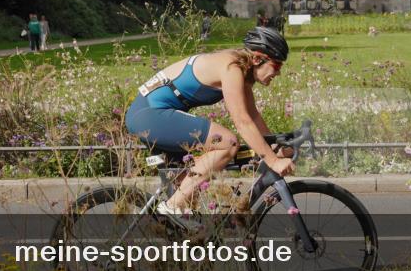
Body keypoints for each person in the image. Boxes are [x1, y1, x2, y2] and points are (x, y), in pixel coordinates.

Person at [125, 27, 294, 227]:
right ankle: (172, 206)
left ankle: (181, 244)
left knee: (189, 204)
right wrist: (272, 161)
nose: (279, 72)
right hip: (149, 114)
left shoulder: (242, 71)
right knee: (228, 143)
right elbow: (242, 121)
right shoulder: (231, 68)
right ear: (257, 59)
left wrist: (273, 147)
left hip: (154, 114)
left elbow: (253, 116)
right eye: (276, 65)